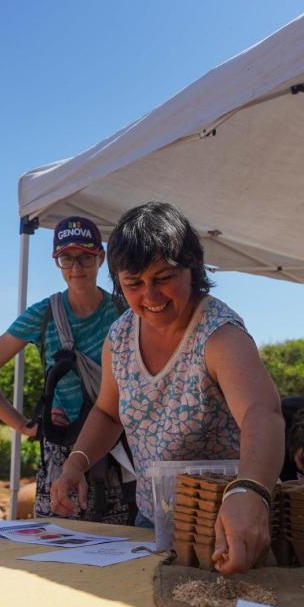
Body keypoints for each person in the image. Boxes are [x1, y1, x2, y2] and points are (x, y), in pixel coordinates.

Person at [49, 202, 284, 574]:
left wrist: (249, 491)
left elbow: (262, 413)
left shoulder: (219, 335)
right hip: (153, 518)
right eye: (134, 284)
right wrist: (74, 465)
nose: (151, 297)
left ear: (192, 269)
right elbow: (109, 412)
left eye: (163, 278)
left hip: (226, 524)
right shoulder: (120, 336)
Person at [0, 216, 130, 524]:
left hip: (119, 448)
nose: (76, 267)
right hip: (62, 449)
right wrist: (24, 425)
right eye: (67, 258)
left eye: (86, 257)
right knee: (58, 545)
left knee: (120, 546)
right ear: (57, 262)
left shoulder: (124, 311)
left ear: (101, 257)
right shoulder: (43, 314)